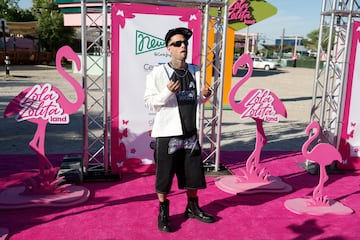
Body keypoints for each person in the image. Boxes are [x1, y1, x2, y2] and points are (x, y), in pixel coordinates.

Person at [144, 27, 215, 232]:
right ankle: (164, 212)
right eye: (177, 43)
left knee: (193, 174)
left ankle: (192, 208)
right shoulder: (158, 73)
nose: (183, 46)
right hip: (167, 134)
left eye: (184, 42)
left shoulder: (196, 71)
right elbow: (149, 103)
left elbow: (197, 99)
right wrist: (167, 92)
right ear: (169, 49)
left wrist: (206, 94)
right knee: (164, 176)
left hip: (190, 133)